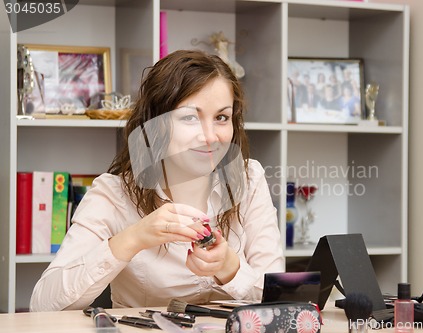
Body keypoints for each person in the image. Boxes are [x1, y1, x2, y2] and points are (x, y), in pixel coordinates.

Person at [30, 50, 285, 311]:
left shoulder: (249, 178)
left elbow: (282, 302)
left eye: (221, 117)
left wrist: (229, 267)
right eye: (189, 118)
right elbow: (43, 306)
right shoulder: (113, 193)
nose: (209, 136)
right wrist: (132, 239)